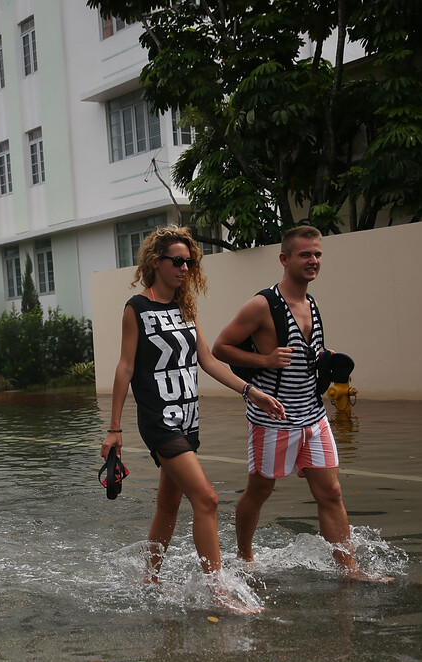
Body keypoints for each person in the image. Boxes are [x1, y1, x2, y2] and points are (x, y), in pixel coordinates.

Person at [100, 225, 286, 613]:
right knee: (207, 499)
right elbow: (125, 367)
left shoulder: (185, 308)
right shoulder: (137, 308)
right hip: (160, 421)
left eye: (190, 262)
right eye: (178, 261)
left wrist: (251, 391)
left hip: (188, 419)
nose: (185, 268)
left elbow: (208, 360)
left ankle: (149, 579)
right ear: (156, 263)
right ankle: (218, 594)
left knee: (169, 506)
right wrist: (114, 429)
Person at [212, 225, 376, 580]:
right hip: (272, 418)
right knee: (260, 489)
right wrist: (266, 360)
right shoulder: (262, 305)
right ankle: (244, 556)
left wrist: (324, 358)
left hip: (313, 417)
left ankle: (349, 569)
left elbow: (305, 355)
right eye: (305, 254)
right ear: (285, 259)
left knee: (331, 492)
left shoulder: (311, 304)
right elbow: (220, 348)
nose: (313, 260)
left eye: (317, 254)